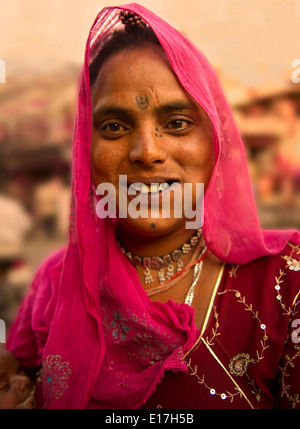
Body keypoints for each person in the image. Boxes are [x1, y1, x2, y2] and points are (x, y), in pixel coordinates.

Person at [1, 3, 300, 409]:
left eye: (176, 122)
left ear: (216, 140)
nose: (147, 151)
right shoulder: (55, 282)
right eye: (114, 127)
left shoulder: (285, 281)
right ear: (86, 148)